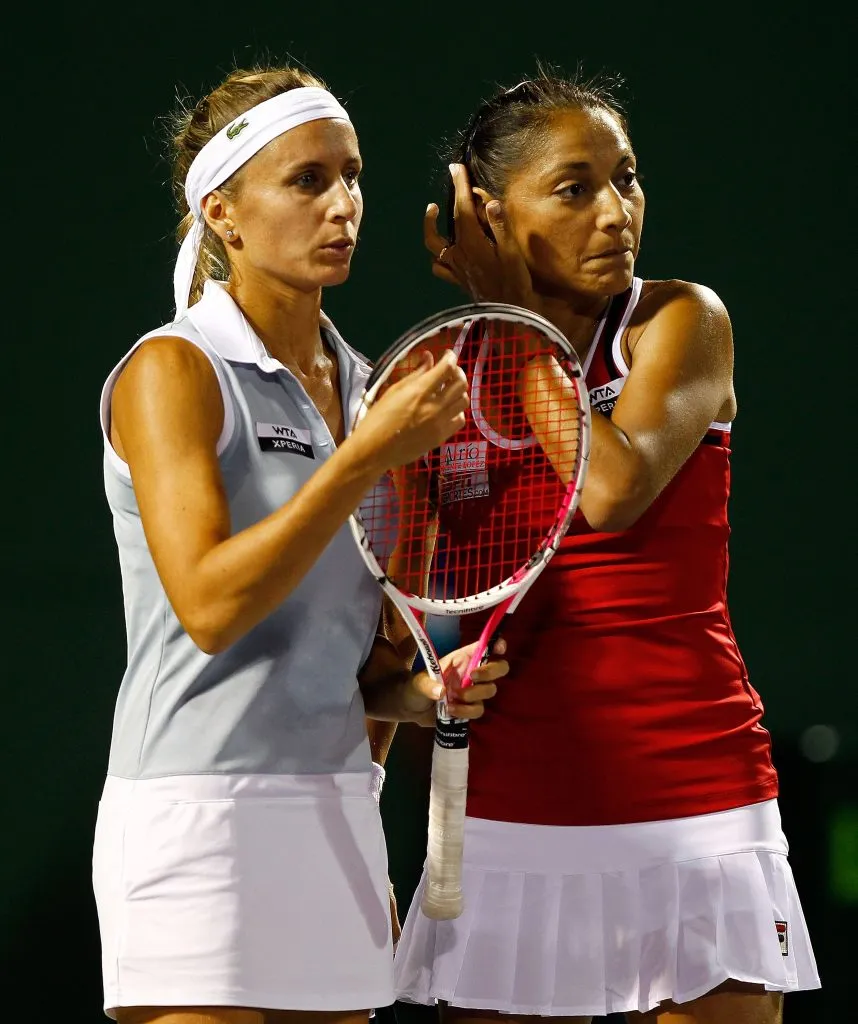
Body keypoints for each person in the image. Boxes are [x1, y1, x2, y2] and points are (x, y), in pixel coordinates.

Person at [392, 69, 820, 1024]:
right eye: (574, 188)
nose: (616, 212)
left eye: (625, 179)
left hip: (695, 790)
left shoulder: (681, 322)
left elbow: (613, 490)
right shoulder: (436, 370)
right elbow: (399, 607)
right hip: (507, 809)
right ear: (488, 216)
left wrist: (521, 326)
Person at [93, 64, 509, 1024]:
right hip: (197, 822)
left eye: (353, 176)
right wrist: (365, 458)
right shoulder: (175, 370)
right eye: (307, 181)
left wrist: (413, 694)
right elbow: (209, 606)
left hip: (334, 824)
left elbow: (348, 661)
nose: (344, 205)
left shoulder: (373, 392)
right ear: (225, 216)